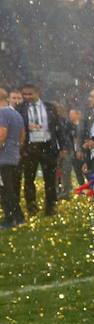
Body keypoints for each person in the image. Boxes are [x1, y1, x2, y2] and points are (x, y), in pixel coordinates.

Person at [19, 83, 62, 217]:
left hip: (47, 146)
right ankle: (31, 206)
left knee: (50, 179)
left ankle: (51, 207)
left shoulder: (49, 107)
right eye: (24, 94)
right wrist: (26, 127)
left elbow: (58, 127)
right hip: (29, 147)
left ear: (38, 92)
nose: (27, 97)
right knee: (29, 178)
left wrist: (63, 146)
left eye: (30, 94)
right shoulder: (20, 108)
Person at [0, 87, 24, 227]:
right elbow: (22, 135)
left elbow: (2, 134)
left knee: (5, 189)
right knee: (11, 188)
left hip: (3, 157)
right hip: (14, 156)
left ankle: (12, 217)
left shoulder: (2, 113)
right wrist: (15, 149)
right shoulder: (16, 114)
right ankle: (16, 217)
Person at [75, 86, 94, 184]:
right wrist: (81, 149)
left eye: (92, 97)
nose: (89, 99)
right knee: (92, 178)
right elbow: (81, 132)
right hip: (91, 153)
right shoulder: (87, 115)